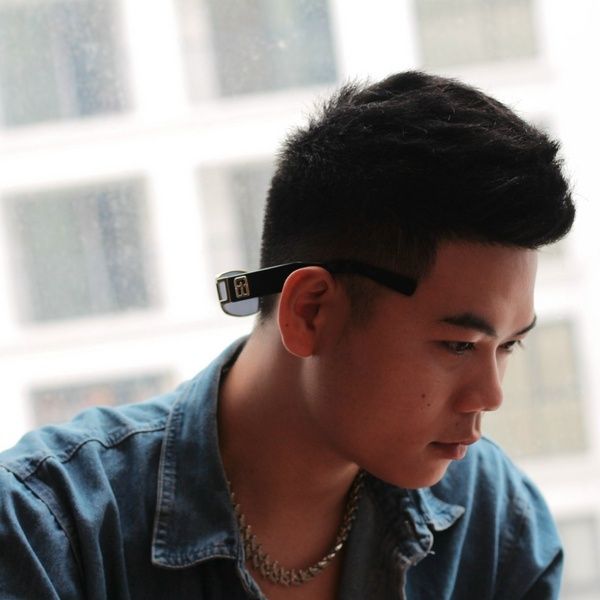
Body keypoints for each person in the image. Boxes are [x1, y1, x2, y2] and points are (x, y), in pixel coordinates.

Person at [0, 71, 574, 600]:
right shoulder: (49, 529)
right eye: (458, 345)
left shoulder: (495, 518)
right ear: (310, 312)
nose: (490, 395)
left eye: (509, 345)